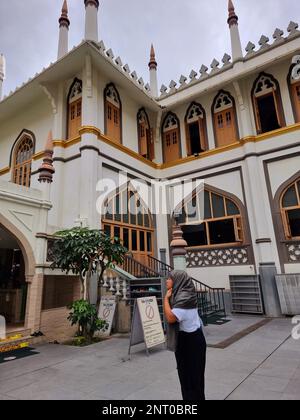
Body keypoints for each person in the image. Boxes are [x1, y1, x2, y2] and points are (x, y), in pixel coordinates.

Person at [164, 270, 207, 401]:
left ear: (177, 281)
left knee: (191, 380)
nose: (166, 281)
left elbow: (171, 318)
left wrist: (165, 299)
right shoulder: (181, 295)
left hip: (192, 342)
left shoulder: (184, 297)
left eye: (169, 278)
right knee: (188, 378)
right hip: (186, 340)